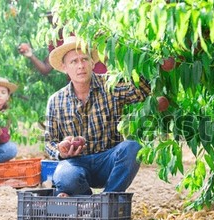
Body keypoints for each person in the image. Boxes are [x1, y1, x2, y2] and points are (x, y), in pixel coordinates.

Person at [44, 36, 150, 197]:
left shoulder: (110, 85)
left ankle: (108, 198)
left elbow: (142, 91)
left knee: (133, 147)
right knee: (66, 177)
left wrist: (128, 57)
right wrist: (61, 151)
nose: (80, 66)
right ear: (64, 67)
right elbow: (48, 142)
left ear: (93, 63)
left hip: (107, 160)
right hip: (76, 163)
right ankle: (87, 199)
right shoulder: (56, 100)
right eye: (74, 61)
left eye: (84, 59)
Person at [18, 12, 107, 75]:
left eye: (56, 18)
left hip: (101, 78)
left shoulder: (82, 29)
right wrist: (31, 55)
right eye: (50, 19)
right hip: (79, 86)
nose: (53, 22)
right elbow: (46, 68)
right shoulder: (55, 41)